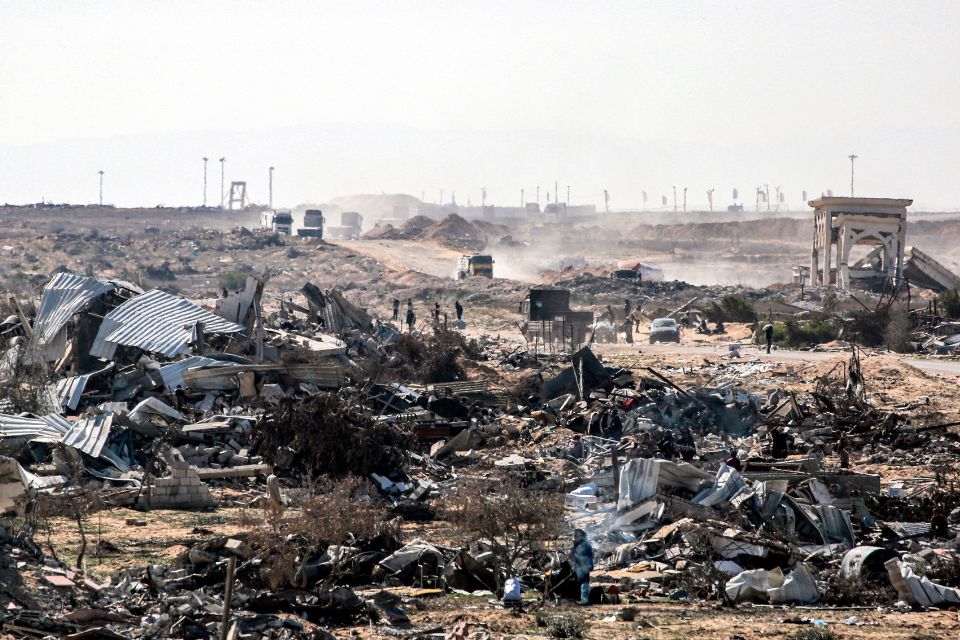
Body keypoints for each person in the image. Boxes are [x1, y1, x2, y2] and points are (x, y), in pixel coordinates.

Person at [571, 529, 594, 605]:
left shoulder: (583, 545)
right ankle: (581, 599)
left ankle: (584, 600)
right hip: (581, 567)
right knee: (581, 583)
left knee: (583, 583)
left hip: (583, 567)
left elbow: (581, 556)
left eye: (576, 536)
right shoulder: (583, 544)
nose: (575, 538)